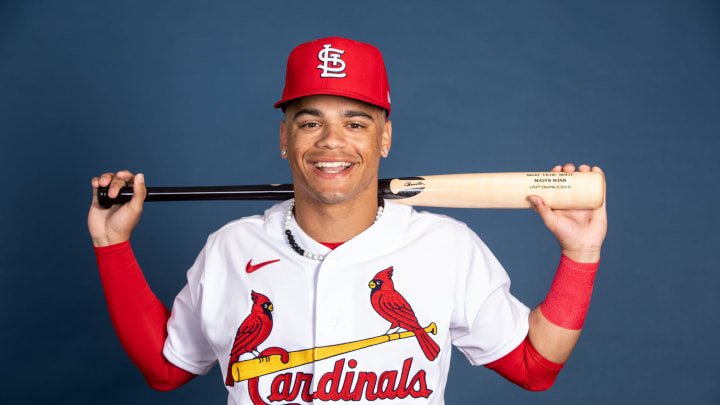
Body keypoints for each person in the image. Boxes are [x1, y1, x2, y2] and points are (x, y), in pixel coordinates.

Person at [88, 37, 607, 404]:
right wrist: (113, 245)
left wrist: (580, 254)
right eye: (310, 121)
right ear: (285, 139)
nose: (331, 142)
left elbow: (533, 369)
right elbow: (164, 370)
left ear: (384, 138)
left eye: (355, 122)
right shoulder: (230, 247)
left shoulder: (445, 246)